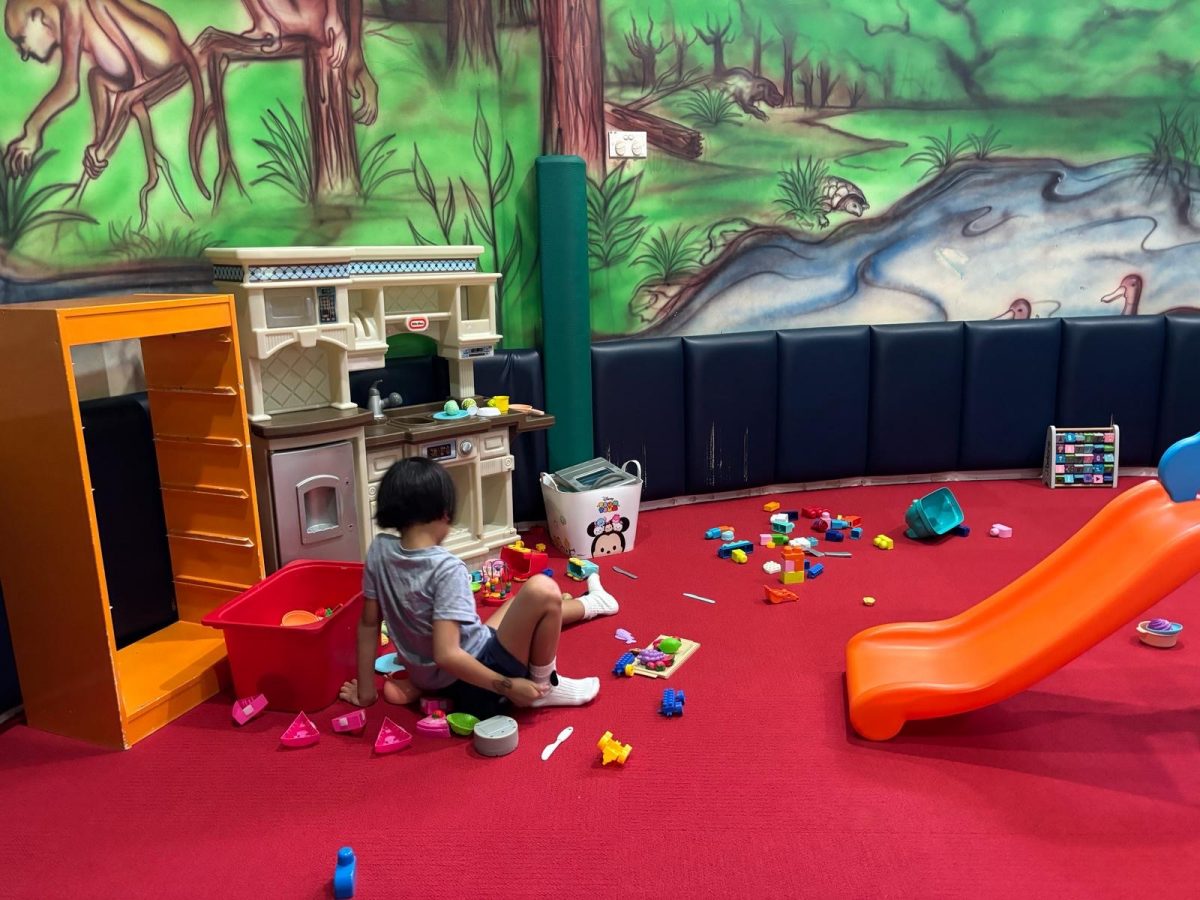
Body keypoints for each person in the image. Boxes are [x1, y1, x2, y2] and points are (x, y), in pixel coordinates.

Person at [338, 456, 619, 717]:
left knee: (516, 604)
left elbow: (368, 625)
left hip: (431, 676)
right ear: (444, 514)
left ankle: (594, 603)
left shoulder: (379, 551)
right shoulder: (446, 569)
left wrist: (366, 693)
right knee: (543, 590)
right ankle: (545, 685)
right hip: (476, 682)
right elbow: (447, 654)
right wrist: (509, 685)